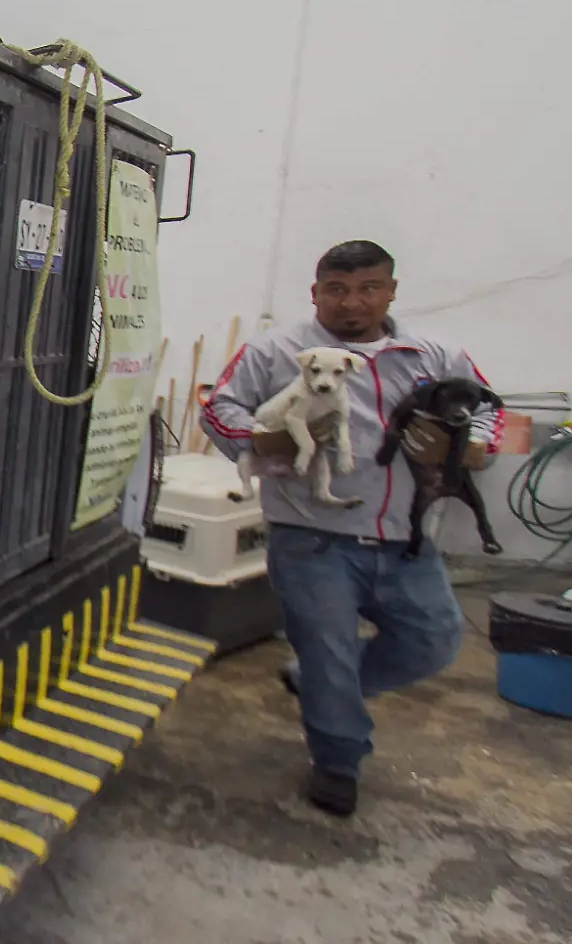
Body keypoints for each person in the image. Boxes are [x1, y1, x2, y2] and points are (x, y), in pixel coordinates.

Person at [201, 239, 502, 817]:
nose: (351, 304)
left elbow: (489, 406)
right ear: (315, 294)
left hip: (406, 538)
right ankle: (338, 761)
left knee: (433, 641)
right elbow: (221, 407)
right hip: (312, 538)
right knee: (330, 653)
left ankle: (315, 683)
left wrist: (473, 447)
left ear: (391, 291)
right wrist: (259, 442)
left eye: (368, 289)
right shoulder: (277, 351)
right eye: (336, 290)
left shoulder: (431, 355)